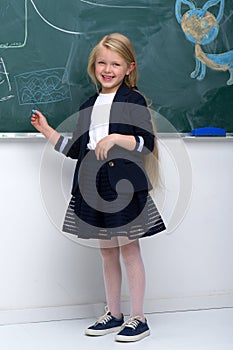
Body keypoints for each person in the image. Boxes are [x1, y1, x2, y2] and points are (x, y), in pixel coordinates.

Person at [31, 33, 166, 342]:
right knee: (107, 253)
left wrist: (117, 139)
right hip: (93, 186)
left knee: (129, 250)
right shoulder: (89, 104)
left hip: (123, 187)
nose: (108, 69)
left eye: (115, 63)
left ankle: (139, 318)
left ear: (129, 67)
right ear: (94, 66)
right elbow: (77, 148)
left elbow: (147, 144)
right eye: (102, 63)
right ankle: (114, 313)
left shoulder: (133, 100)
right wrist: (47, 131)